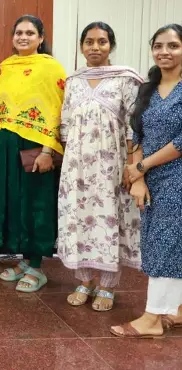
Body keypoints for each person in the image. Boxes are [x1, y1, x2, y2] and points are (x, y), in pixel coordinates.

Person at [57, 22, 142, 311]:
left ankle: (107, 284)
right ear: (81, 46)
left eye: (102, 42)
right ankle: (85, 281)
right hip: (76, 167)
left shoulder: (125, 79)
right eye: (89, 42)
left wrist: (132, 166)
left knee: (108, 219)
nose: (95, 47)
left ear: (111, 46)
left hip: (111, 165)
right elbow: (65, 123)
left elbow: (134, 126)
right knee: (78, 217)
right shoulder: (73, 80)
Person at [0, 15, 66, 293]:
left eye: (30, 33)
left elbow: (56, 109)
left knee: (35, 202)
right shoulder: (5, 67)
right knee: (13, 200)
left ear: (41, 38)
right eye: (18, 32)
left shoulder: (51, 68)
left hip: (36, 143)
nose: (23, 37)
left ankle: (37, 267)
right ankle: (24, 260)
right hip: (6, 142)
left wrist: (47, 150)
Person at [111, 24, 182, 338]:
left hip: (177, 177)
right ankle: (177, 310)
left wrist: (141, 166)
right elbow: (135, 133)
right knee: (161, 242)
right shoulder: (147, 89)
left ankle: (153, 318)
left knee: (166, 244)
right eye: (158, 46)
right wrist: (138, 177)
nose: (164, 52)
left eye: (173, 46)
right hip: (151, 178)